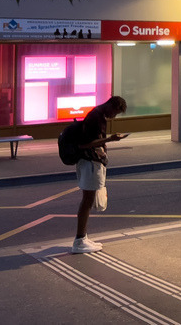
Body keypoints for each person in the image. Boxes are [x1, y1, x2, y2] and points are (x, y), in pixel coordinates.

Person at [72, 95, 128, 254]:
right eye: (115, 113)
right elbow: (85, 144)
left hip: (90, 162)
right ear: (112, 106)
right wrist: (111, 139)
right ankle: (79, 241)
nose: (114, 117)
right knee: (87, 200)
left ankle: (83, 237)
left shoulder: (96, 115)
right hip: (90, 163)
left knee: (88, 200)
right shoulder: (96, 118)